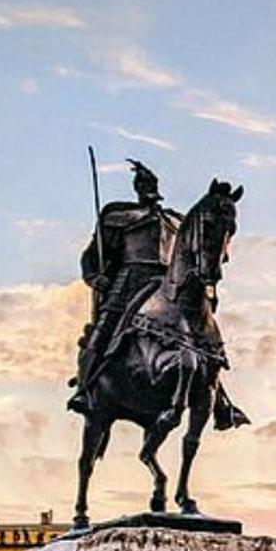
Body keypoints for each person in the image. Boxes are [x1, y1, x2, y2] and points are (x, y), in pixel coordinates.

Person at [68, 159, 180, 414]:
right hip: (130, 281)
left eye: (151, 183)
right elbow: (92, 256)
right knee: (103, 330)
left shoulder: (175, 221)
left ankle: (218, 398)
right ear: (137, 187)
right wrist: (95, 277)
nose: (148, 187)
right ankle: (85, 390)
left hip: (167, 285)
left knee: (198, 333)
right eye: (143, 183)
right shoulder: (118, 215)